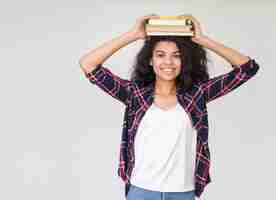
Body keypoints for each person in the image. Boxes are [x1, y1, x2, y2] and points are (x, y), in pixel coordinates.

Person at [79, 14, 260, 200]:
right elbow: (88, 64)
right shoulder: (135, 94)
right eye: (160, 55)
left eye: (177, 56)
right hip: (141, 190)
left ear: (184, 62)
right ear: (150, 60)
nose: (168, 62)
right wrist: (133, 34)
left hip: (182, 192)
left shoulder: (196, 94)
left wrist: (202, 39)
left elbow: (247, 68)